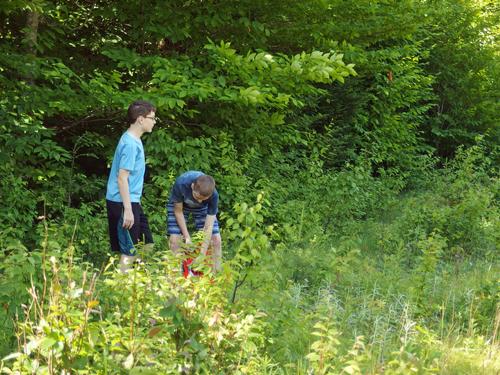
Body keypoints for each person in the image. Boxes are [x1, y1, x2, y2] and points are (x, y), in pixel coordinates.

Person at [105, 100, 156, 272]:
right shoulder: (129, 144)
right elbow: (122, 178)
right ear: (141, 119)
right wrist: (127, 209)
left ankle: (136, 282)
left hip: (132, 201)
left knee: (147, 244)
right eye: (152, 118)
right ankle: (120, 291)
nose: (154, 122)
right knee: (129, 251)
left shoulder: (135, 140)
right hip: (122, 202)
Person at [167, 171, 222, 273]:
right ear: (192, 186)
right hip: (180, 206)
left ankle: (215, 277)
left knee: (216, 240)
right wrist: (187, 237)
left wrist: (202, 254)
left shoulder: (214, 195)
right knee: (175, 240)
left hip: (203, 209)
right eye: (197, 197)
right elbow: (178, 212)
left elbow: (208, 227)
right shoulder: (181, 184)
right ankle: (175, 280)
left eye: (204, 199)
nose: (199, 201)